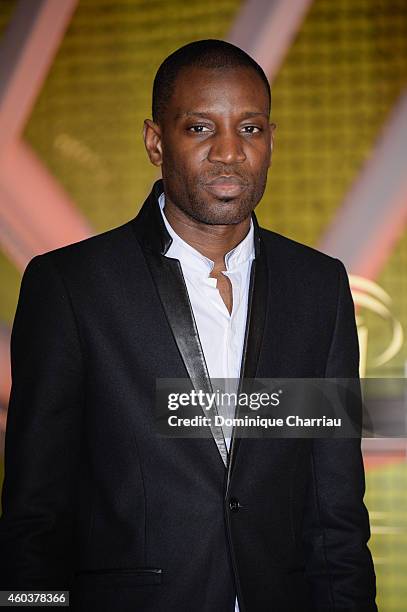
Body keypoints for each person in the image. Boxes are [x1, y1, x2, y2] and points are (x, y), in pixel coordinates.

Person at [0, 39, 377, 611]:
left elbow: (336, 508)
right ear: (156, 142)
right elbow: (35, 515)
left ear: (271, 140)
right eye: (201, 129)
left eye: (249, 129)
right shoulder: (71, 286)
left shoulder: (318, 287)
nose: (229, 152)